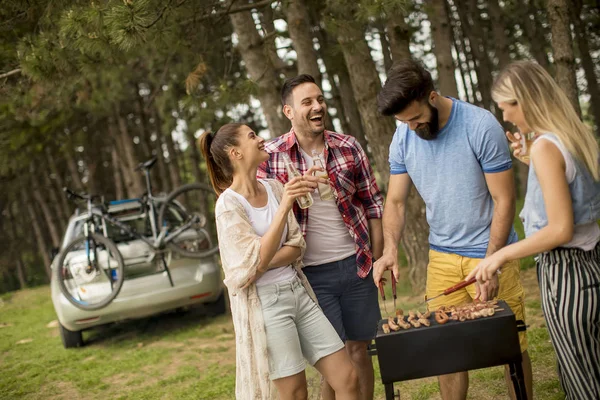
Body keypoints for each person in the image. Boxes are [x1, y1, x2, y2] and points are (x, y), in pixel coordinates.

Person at [373, 59, 533, 400]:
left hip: (492, 251)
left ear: (432, 97)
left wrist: (491, 262)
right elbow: (396, 202)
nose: (411, 127)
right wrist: (389, 250)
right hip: (442, 257)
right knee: (445, 353)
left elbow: (504, 200)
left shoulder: (479, 125)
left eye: (415, 118)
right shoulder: (403, 135)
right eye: (403, 122)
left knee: (510, 348)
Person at [466, 61, 600, 399]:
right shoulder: (570, 135)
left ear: (527, 98)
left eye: (508, 106)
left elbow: (560, 229)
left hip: (566, 273)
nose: (507, 116)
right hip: (591, 265)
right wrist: (532, 161)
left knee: (581, 379)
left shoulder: (546, 146)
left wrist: (498, 255)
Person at [200, 123, 359, 400]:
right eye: (252, 136)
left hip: (297, 292)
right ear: (235, 152)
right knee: (295, 394)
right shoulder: (229, 205)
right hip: (266, 305)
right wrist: (284, 206)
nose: (261, 139)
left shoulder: (273, 187)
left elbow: (296, 247)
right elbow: (247, 267)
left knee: (347, 377)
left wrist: (262, 261)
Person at [257, 74, 384, 400]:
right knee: (336, 359)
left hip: (357, 265)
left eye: (320, 99)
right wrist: (289, 194)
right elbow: (259, 214)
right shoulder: (270, 157)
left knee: (359, 350)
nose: (317, 107)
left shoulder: (348, 146)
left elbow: (373, 205)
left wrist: (378, 260)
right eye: (307, 102)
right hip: (310, 273)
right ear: (288, 111)